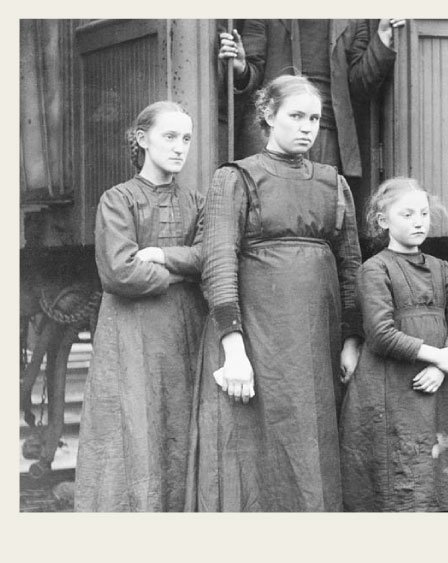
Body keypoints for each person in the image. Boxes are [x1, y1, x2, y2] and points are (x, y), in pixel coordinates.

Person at [185, 75, 362, 511]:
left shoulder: (333, 183)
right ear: (267, 115)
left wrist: (353, 339)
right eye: (296, 116)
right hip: (257, 341)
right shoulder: (236, 178)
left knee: (311, 449)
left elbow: (352, 265)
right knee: (253, 452)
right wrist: (234, 348)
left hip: (316, 344)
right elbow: (219, 261)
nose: (307, 127)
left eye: (315, 119)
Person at [75, 101, 205, 511]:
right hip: (130, 334)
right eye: (169, 136)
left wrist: (165, 258)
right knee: (132, 424)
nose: (179, 147)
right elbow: (119, 273)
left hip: (183, 331)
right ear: (142, 139)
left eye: (186, 138)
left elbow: (208, 257)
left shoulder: (197, 201)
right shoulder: (117, 200)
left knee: (177, 425)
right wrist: (183, 274)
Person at [338, 178, 448, 512]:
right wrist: (436, 356)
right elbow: (380, 334)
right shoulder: (375, 269)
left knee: (444, 477)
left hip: (440, 387)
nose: (418, 221)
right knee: (399, 480)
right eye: (407, 214)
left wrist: (444, 363)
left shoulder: (442, 268)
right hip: (392, 388)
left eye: (424, 213)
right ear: (383, 221)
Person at [217, 19, 404, 174]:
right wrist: (241, 69)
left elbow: (360, 86)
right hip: (274, 133)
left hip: (328, 136)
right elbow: (253, 74)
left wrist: (383, 38)